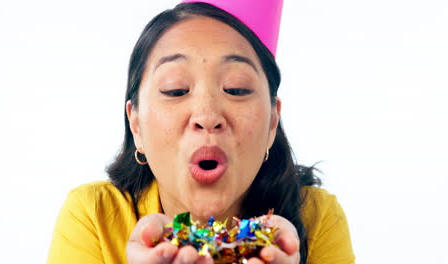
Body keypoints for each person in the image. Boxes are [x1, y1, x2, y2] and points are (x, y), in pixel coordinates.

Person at [47, 1, 355, 263]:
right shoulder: (93, 216)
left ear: (272, 122)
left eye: (237, 88)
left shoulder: (316, 217)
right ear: (136, 125)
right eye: (176, 89)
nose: (208, 116)